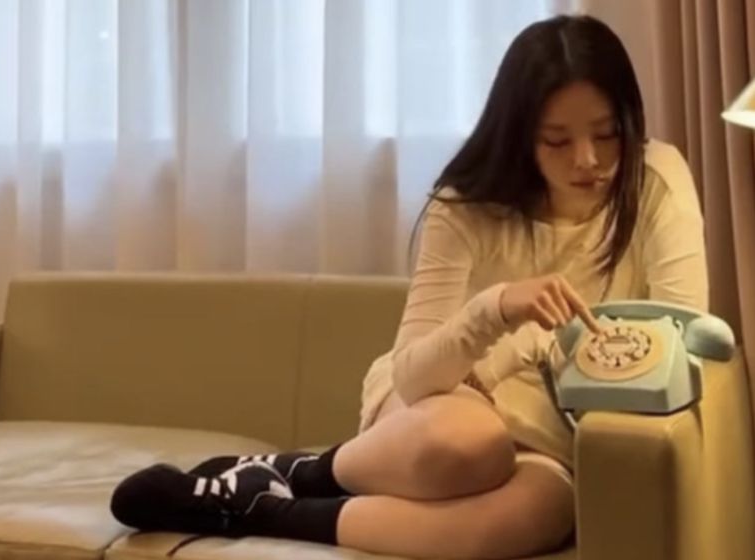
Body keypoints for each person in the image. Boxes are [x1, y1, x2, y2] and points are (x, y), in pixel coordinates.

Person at [109, 14, 707, 560]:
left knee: (536, 517)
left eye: (608, 134)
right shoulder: (464, 205)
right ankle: (308, 471)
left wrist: (534, 347)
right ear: (519, 135)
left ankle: (257, 504)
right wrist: (495, 309)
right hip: (443, 407)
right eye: (557, 140)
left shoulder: (656, 180)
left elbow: (676, 336)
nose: (588, 160)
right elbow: (415, 376)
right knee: (473, 443)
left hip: (554, 438)